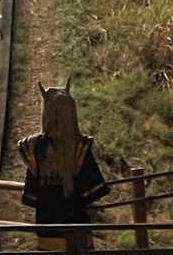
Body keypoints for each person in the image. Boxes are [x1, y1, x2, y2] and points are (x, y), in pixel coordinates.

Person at [18, 79, 109, 251]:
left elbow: (31, 196)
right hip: (77, 227)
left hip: (46, 225)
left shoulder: (34, 147)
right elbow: (92, 192)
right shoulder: (79, 149)